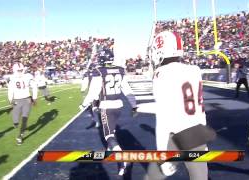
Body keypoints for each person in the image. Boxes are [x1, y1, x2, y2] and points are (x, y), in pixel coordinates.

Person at [146, 31, 215, 180]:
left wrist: (162, 154)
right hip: (197, 132)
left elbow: (163, 118)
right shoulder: (194, 70)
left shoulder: (161, 73)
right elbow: (199, 109)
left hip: (176, 133)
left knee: (153, 177)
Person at [79, 48, 138, 176]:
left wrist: (84, 104)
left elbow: (93, 92)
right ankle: (113, 147)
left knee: (108, 135)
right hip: (118, 106)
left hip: (107, 106)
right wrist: (134, 106)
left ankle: (122, 159)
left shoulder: (99, 72)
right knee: (112, 130)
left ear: (101, 59)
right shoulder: (120, 70)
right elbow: (127, 90)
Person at [8, 62, 38, 145]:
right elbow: (10, 90)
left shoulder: (28, 76)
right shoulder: (12, 78)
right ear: (15, 70)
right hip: (17, 99)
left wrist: (34, 98)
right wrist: (10, 99)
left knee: (25, 118)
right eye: (19, 70)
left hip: (27, 99)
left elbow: (34, 86)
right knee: (16, 118)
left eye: (21, 70)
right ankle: (16, 123)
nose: (20, 72)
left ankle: (20, 136)